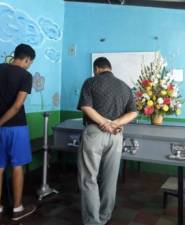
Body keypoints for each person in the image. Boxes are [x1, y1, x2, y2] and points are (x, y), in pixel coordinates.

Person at [77, 57, 138, 225]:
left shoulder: (90, 82)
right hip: (116, 136)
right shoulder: (125, 86)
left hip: (95, 134)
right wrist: (115, 124)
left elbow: (86, 107)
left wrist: (104, 123)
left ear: (96, 68)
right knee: (110, 179)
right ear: (110, 68)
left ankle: (92, 221)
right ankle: (104, 217)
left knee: (89, 178)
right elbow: (134, 113)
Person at [0, 43, 36, 221]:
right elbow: (16, 107)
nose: (29, 65)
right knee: (17, 167)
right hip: (17, 128)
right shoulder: (26, 75)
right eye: (30, 62)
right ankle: (17, 208)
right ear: (27, 59)